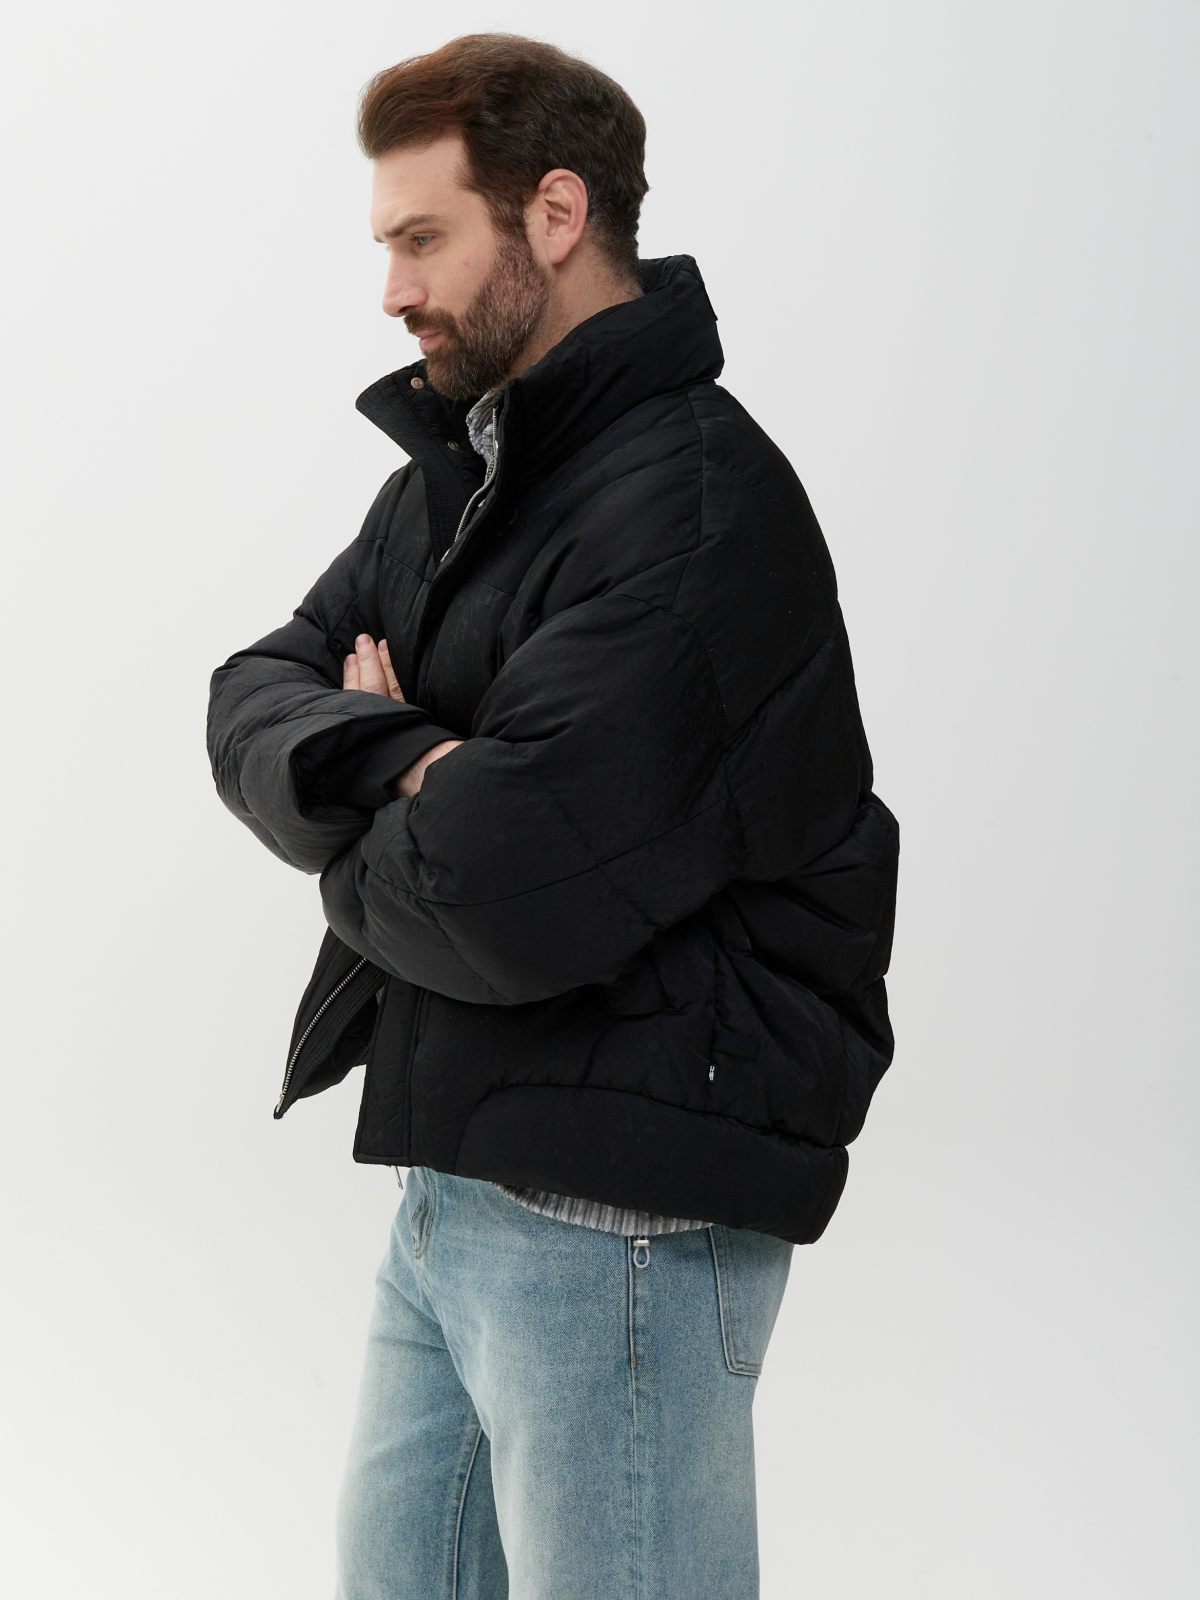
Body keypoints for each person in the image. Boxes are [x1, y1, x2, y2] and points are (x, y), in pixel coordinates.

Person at [205, 30, 899, 1600]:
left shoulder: (694, 507)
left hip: (623, 1214)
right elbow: (250, 693)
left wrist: (379, 784)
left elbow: (497, 887)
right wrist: (412, 756)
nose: (393, 290)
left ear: (557, 214)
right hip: (452, 1182)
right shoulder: (461, 480)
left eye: (421, 238)